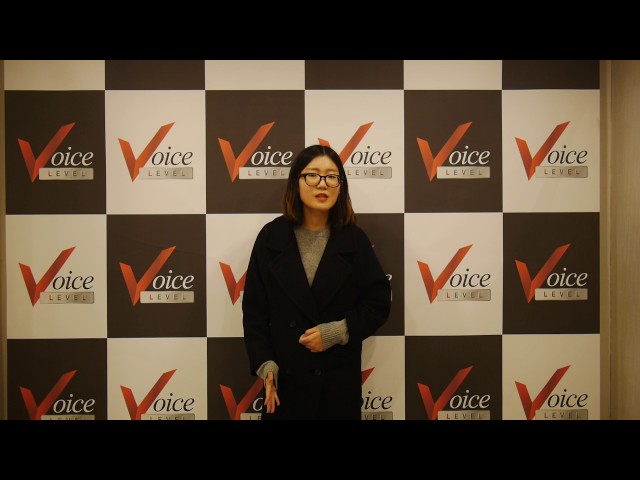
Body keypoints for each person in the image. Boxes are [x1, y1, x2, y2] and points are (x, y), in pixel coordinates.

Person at [242, 144, 391, 420]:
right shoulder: (271, 238)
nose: (322, 184)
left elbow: (378, 304)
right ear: (296, 182)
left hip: (336, 387)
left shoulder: (354, 240)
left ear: (340, 186)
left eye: (331, 176)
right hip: (285, 387)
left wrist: (337, 331)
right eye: (312, 175)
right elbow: (254, 312)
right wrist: (266, 364)